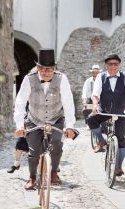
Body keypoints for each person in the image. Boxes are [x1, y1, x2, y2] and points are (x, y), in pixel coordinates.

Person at [13, 48, 77, 190]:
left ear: (54, 68)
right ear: (38, 68)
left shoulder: (62, 79)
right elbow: (20, 102)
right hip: (34, 119)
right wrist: (19, 125)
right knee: (33, 150)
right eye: (43, 68)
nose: (47, 72)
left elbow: (68, 103)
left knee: (56, 144)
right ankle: (32, 177)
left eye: (50, 69)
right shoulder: (29, 79)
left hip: (56, 119)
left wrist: (70, 126)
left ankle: (54, 172)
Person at [89, 54, 125, 177]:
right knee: (91, 119)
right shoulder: (101, 76)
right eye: (110, 64)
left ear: (119, 65)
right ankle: (101, 140)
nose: (113, 66)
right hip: (104, 110)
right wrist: (95, 105)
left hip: (120, 112)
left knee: (120, 139)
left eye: (116, 64)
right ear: (107, 65)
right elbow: (96, 93)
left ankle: (119, 166)